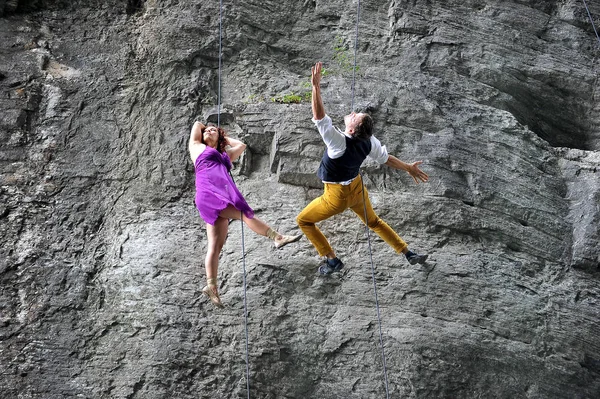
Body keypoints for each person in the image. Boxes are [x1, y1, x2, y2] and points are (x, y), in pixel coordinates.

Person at [296, 61, 430, 275]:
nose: (352, 112)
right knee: (374, 222)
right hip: (358, 190)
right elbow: (386, 159)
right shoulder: (369, 141)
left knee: (303, 220)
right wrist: (408, 168)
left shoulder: (338, 142)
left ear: (351, 128)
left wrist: (315, 87)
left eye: (355, 116)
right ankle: (408, 253)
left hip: (336, 196)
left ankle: (332, 261)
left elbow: (320, 117)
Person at [190, 121, 301, 307]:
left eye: (213, 130)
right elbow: (197, 124)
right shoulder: (196, 147)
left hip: (220, 195)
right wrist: (209, 130)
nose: (208, 130)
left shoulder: (224, 155)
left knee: (215, 246)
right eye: (206, 130)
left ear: (220, 138)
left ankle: (212, 286)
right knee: (244, 214)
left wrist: (223, 138)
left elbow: (241, 146)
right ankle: (277, 237)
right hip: (209, 194)